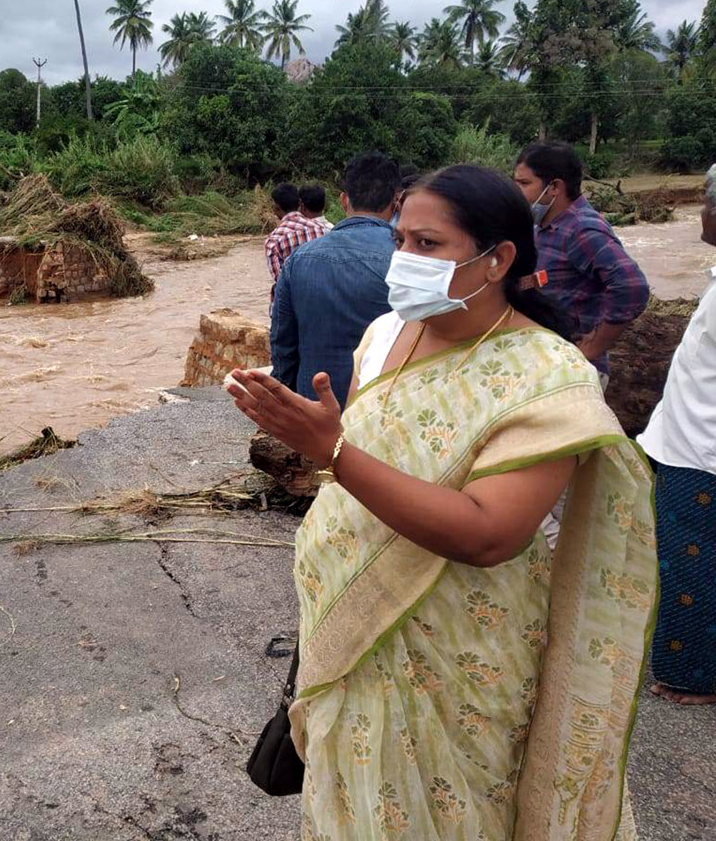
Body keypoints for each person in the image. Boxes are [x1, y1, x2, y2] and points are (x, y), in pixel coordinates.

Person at [229, 164, 653, 841]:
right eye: (401, 241)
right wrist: (320, 446)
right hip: (350, 625)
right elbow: (372, 467)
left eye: (428, 246)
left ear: (498, 260)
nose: (404, 261)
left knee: (455, 810)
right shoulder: (385, 336)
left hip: (459, 652)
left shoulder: (548, 375)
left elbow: (491, 534)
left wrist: (332, 450)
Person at [639, 163, 716, 706]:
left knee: (693, 560)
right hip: (686, 436)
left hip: (702, 448)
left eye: (710, 201)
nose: (705, 211)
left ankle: (694, 675)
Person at [513, 142, 650, 382]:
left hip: (575, 369)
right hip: (548, 358)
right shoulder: (542, 226)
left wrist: (594, 347)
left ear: (554, 187)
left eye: (524, 183)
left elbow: (631, 286)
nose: (516, 192)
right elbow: (547, 276)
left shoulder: (582, 229)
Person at [272, 152, 399, 407]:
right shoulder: (406, 259)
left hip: (317, 413)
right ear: (396, 202)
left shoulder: (298, 260)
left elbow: (282, 346)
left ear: (343, 200)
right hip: (383, 414)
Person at [265, 183, 322, 297]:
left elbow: (281, 282)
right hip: (322, 298)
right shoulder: (320, 229)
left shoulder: (273, 241)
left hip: (295, 303)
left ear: (276, 208)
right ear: (300, 203)